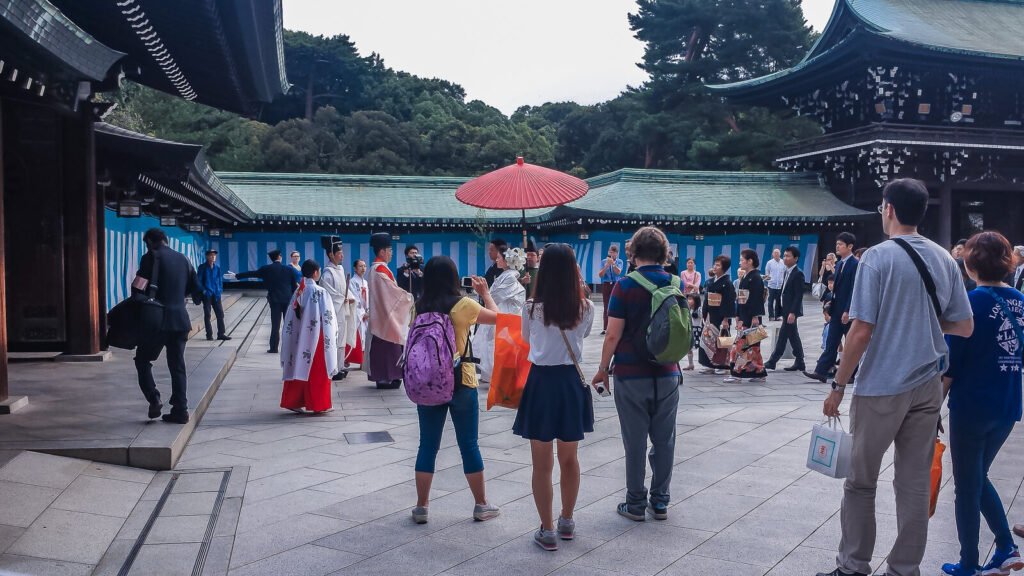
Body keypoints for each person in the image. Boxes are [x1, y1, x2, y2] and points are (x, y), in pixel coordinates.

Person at [817, 178, 974, 576]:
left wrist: (838, 385)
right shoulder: (943, 258)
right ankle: (904, 569)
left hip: (882, 384)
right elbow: (964, 326)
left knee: (860, 480)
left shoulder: (877, 258)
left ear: (888, 208)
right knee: (914, 483)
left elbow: (861, 330)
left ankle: (853, 565)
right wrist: (921, 323)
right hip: (928, 386)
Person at [941, 232, 1024, 576]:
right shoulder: (1021, 299)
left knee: (966, 484)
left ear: (970, 263)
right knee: (978, 476)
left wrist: (933, 407)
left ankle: (969, 563)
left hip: (972, 405)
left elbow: (951, 363)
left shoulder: (970, 302)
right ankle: (1005, 547)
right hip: (1007, 404)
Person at [592, 226, 681, 522]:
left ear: (632, 253)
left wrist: (603, 369)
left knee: (635, 441)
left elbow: (612, 335)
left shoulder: (625, 285)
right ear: (663, 253)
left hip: (631, 374)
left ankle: (634, 504)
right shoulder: (674, 281)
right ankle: (660, 502)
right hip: (668, 372)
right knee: (665, 439)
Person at [513, 243, 595, 551]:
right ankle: (567, 520)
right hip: (571, 382)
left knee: (541, 463)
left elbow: (525, 338)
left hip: (541, 383)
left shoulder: (532, 307)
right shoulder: (585, 307)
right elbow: (584, 335)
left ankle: (547, 529)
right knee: (570, 458)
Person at [411, 256, 501, 525]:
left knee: (427, 445)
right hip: (461, 382)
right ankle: (481, 505)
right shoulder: (465, 305)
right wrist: (486, 294)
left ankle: (421, 507)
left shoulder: (419, 307)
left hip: (428, 382)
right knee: (469, 444)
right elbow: (499, 318)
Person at [132, 228, 202, 424]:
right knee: (177, 365)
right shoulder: (184, 259)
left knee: (143, 360)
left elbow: (138, 288)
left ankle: (154, 398)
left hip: (157, 320)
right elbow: (196, 291)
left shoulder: (150, 258)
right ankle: (180, 409)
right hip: (180, 320)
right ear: (165, 240)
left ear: (151, 242)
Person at [280, 259, 339, 415]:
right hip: (317, 336)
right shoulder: (320, 291)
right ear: (315, 272)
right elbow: (328, 317)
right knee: (318, 369)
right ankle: (319, 403)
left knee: (297, 366)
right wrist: (332, 333)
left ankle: (293, 401)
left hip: (299, 336)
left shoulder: (299, 290)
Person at [806, 232, 859, 382]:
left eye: (841, 244)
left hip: (847, 311)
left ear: (850, 246)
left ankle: (852, 374)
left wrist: (848, 309)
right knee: (831, 342)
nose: (837, 246)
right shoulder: (840, 263)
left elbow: (853, 289)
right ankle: (821, 371)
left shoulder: (854, 264)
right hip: (836, 310)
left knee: (850, 344)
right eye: (837, 244)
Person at [365, 233, 415, 389]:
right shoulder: (380, 269)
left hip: (382, 313)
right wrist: (407, 296)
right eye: (389, 250)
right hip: (384, 315)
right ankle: (385, 377)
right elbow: (391, 293)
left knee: (387, 348)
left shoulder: (379, 269)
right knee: (386, 347)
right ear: (382, 252)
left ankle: (389, 376)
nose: (391, 253)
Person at [473, 247, 527, 382]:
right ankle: (491, 374)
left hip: (504, 312)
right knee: (492, 342)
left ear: (507, 261)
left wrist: (484, 293)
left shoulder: (510, 277)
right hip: (502, 310)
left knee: (496, 343)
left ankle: (495, 374)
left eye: (499, 258)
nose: (496, 260)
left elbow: (496, 295)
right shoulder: (507, 275)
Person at [236, 249, 301, 354]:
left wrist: (237, 276)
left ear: (271, 258)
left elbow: (252, 273)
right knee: (288, 325)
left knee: (275, 325)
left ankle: (274, 348)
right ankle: (290, 347)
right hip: (287, 300)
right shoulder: (289, 270)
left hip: (274, 301)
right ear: (280, 257)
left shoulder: (266, 269)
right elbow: (294, 286)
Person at [319, 237, 357, 380]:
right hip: (336, 311)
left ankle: (340, 366)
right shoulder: (327, 273)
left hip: (343, 310)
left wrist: (351, 297)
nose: (342, 256)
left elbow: (345, 290)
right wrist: (344, 299)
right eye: (339, 253)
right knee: (334, 340)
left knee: (341, 340)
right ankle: (333, 367)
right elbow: (330, 295)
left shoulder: (340, 269)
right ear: (331, 255)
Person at [764, 246, 806, 372]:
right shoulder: (787, 271)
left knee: (783, 335)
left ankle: (773, 360)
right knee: (792, 335)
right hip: (786, 309)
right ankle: (800, 361)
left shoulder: (798, 273)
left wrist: (793, 312)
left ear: (796, 258)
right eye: (785, 255)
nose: (785, 258)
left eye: (788, 256)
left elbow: (799, 295)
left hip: (791, 310)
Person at [728, 249, 766, 383]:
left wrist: (756, 316)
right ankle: (759, 371)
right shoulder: (745, 276)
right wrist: (738, 314)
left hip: (752, 317)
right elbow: (740, 298)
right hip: (744, 315)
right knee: (750, 346)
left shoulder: (756, 277)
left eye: (742, 260)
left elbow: (757, 299)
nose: (740, 262)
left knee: (742, 346)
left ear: (750, 261)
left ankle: (737, 373)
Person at [698, 255, 736, 375]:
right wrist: (704, 313)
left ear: (724, 268)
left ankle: (723, 365)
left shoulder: (727, 283)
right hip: (711, 314)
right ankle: (709, 364)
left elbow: (729, 301)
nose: (715, 267)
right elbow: (706, 299)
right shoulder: (711, 281)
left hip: (721, 315)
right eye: (714, 264)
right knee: (707, 339)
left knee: (722, 340)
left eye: (718, 265)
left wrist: (726, 319)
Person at [197, 249, 230, 341]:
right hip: (207, 294)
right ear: (207, 256)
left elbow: (219, 280)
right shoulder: (202, 267)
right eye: (211, 255)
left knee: (220, 314)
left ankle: (221, 334)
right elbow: (198, 281)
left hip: (216, 294)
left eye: (214, 255)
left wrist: (219, 290)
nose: (213, 257)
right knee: (207, 315)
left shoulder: (217, 267)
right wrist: (203, 291)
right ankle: (209, 334)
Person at [598, 244, 624, 335]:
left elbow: (618, 272)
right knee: (606, 305)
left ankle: (615, 327)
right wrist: (606, 266)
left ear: (617, 253)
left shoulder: (619, 261)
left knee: (616, 305)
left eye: (613, 252)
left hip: (616, 284)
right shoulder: (603, 261)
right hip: (606, 284)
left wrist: (613, 264)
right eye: (610, 252)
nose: (611, 254)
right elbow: (600, 275)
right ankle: (605, 328)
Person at [349, 259, 369, 366]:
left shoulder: (365, 282)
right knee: (359, 335)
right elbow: (355, 299)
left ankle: (363, 361)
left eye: (364, 266)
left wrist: (368, 310)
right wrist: (362, 313)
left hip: (365, 312)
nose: (363, 268)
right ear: (355, 268)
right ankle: (355, 359)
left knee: (365, 336)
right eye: (360, 266)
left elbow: (368, 299)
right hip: (358, 313)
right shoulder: (352, 282)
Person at [765, 248, 786, 321]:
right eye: (775, 253)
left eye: (778, 253)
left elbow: (785, 272)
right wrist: (769, 281)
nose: (776, 254)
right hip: (771, 285)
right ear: (772, 254)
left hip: (780, 285)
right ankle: (771, 316)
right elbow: (767, 273)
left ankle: (778, 316)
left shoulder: (783, 262)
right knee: (770, 301)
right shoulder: (769, 263)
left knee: (778, 301)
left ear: (780, 254)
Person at [684, 294, 702, 371]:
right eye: (688, 299)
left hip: (698, 330)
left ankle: (708, 363)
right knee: (689, 347)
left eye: (691, 299)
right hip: (691, 330)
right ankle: (691, 364)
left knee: (702, 347)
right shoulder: (689, 309)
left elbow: (703, 318)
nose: (689, 301)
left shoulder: (699, 310)